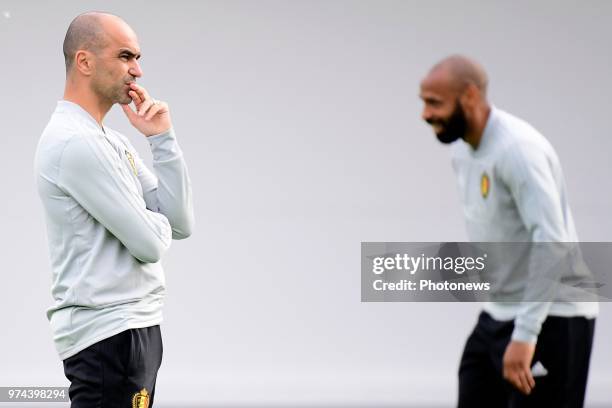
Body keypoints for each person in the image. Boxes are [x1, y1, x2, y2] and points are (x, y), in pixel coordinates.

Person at [34, 11, 194, 407]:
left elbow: (180, 222)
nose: (137, 71)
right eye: (125, 56)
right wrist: (151, 221)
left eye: (137, 58)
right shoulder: (76, 143)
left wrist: (163, 139)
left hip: (132, 329)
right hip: (108, 335)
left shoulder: (110, 141)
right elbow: (151, 244)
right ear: (85, 61)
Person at [419, 55, 597, 407]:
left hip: (553, 318)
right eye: (424, 102)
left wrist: (526, 335)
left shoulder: (518, 150)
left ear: (469, 95)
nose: (425, 114)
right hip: (500, 313)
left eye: (434, 102)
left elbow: (552, 243)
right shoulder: (462, 150)